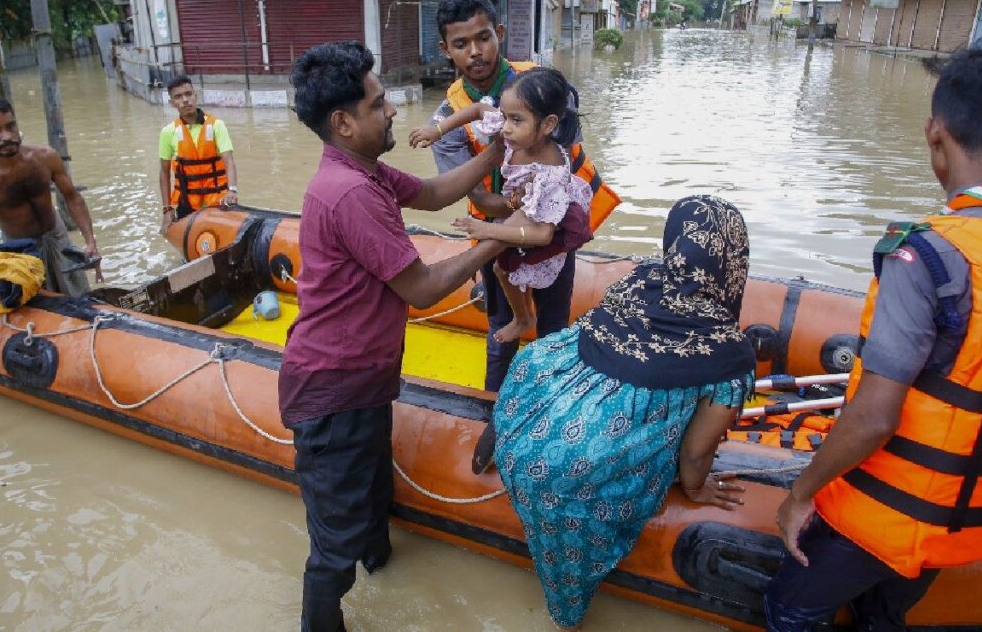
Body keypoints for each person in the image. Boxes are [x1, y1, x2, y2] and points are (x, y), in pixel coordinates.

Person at [765, 43, 982, 630]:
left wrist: (800, 494)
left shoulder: (928, 257)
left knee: (790, 606)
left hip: (891, 514)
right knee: (883, 614)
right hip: (972, 522)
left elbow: (873, 418)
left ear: (935, 136)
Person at [280, 40, 507, 632]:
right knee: (335, 544)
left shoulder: (366, 172)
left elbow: (432, 194)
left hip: (365, 381)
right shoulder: (352, 193)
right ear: (343, 122)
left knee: (372, 501)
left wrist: (499, 149)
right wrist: (505, 238)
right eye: (380, 104)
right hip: (334, 391)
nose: (393, 113)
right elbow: (424, 288)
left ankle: (381, 564)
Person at [493, 195, 757, 630]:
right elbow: (695, 454)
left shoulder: (643, 280)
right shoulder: (727, 353)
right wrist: (695, 489)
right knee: (571, 586)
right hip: (565, 473)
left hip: (522, 415)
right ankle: (566, 618)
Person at [428, 0, 619, 393]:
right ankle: (494, 407)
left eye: (483, 37)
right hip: (499, 230)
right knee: (501, 327)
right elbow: (474, 195)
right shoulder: (448, 117)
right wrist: (511, 210)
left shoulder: (543, 84)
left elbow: (563, 161)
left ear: (499, 32)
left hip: (552, 223)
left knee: (553, 323)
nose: (475, 52)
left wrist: (532, 213)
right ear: (446, 50)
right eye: (461, 44)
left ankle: (552, 401)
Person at [411, 67, 593, 344]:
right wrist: (437, 130)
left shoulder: (550, 173)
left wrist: (487, 229)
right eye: (505, 116)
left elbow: (542, 234)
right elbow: (476, 110)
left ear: (548, 124)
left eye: (516, 120)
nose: (505, 127)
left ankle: (524, 318)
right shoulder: (515, 128)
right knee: (501, 268)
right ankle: (523, 317)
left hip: (547, 220)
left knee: (503, 270)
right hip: (520, 206)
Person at [0, 95, 101, 296]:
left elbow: (72, 197)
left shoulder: (44, 157)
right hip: (21, 251)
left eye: (11, 126)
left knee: (80, 295)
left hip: (57, 236)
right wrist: (3, 277)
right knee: (38, 305)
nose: (7, 136)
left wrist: (91, 241)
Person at [158, 75, 238, 235]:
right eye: (178, 97)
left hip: (219, 201)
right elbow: (164, 172)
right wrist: (167, 210)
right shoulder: (168, 132)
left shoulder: (217, 125)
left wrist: (232, 190)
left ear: (195, 96)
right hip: (187, 204)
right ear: (172, 103)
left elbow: (228, 160)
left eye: (188, 94)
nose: (185, 100)